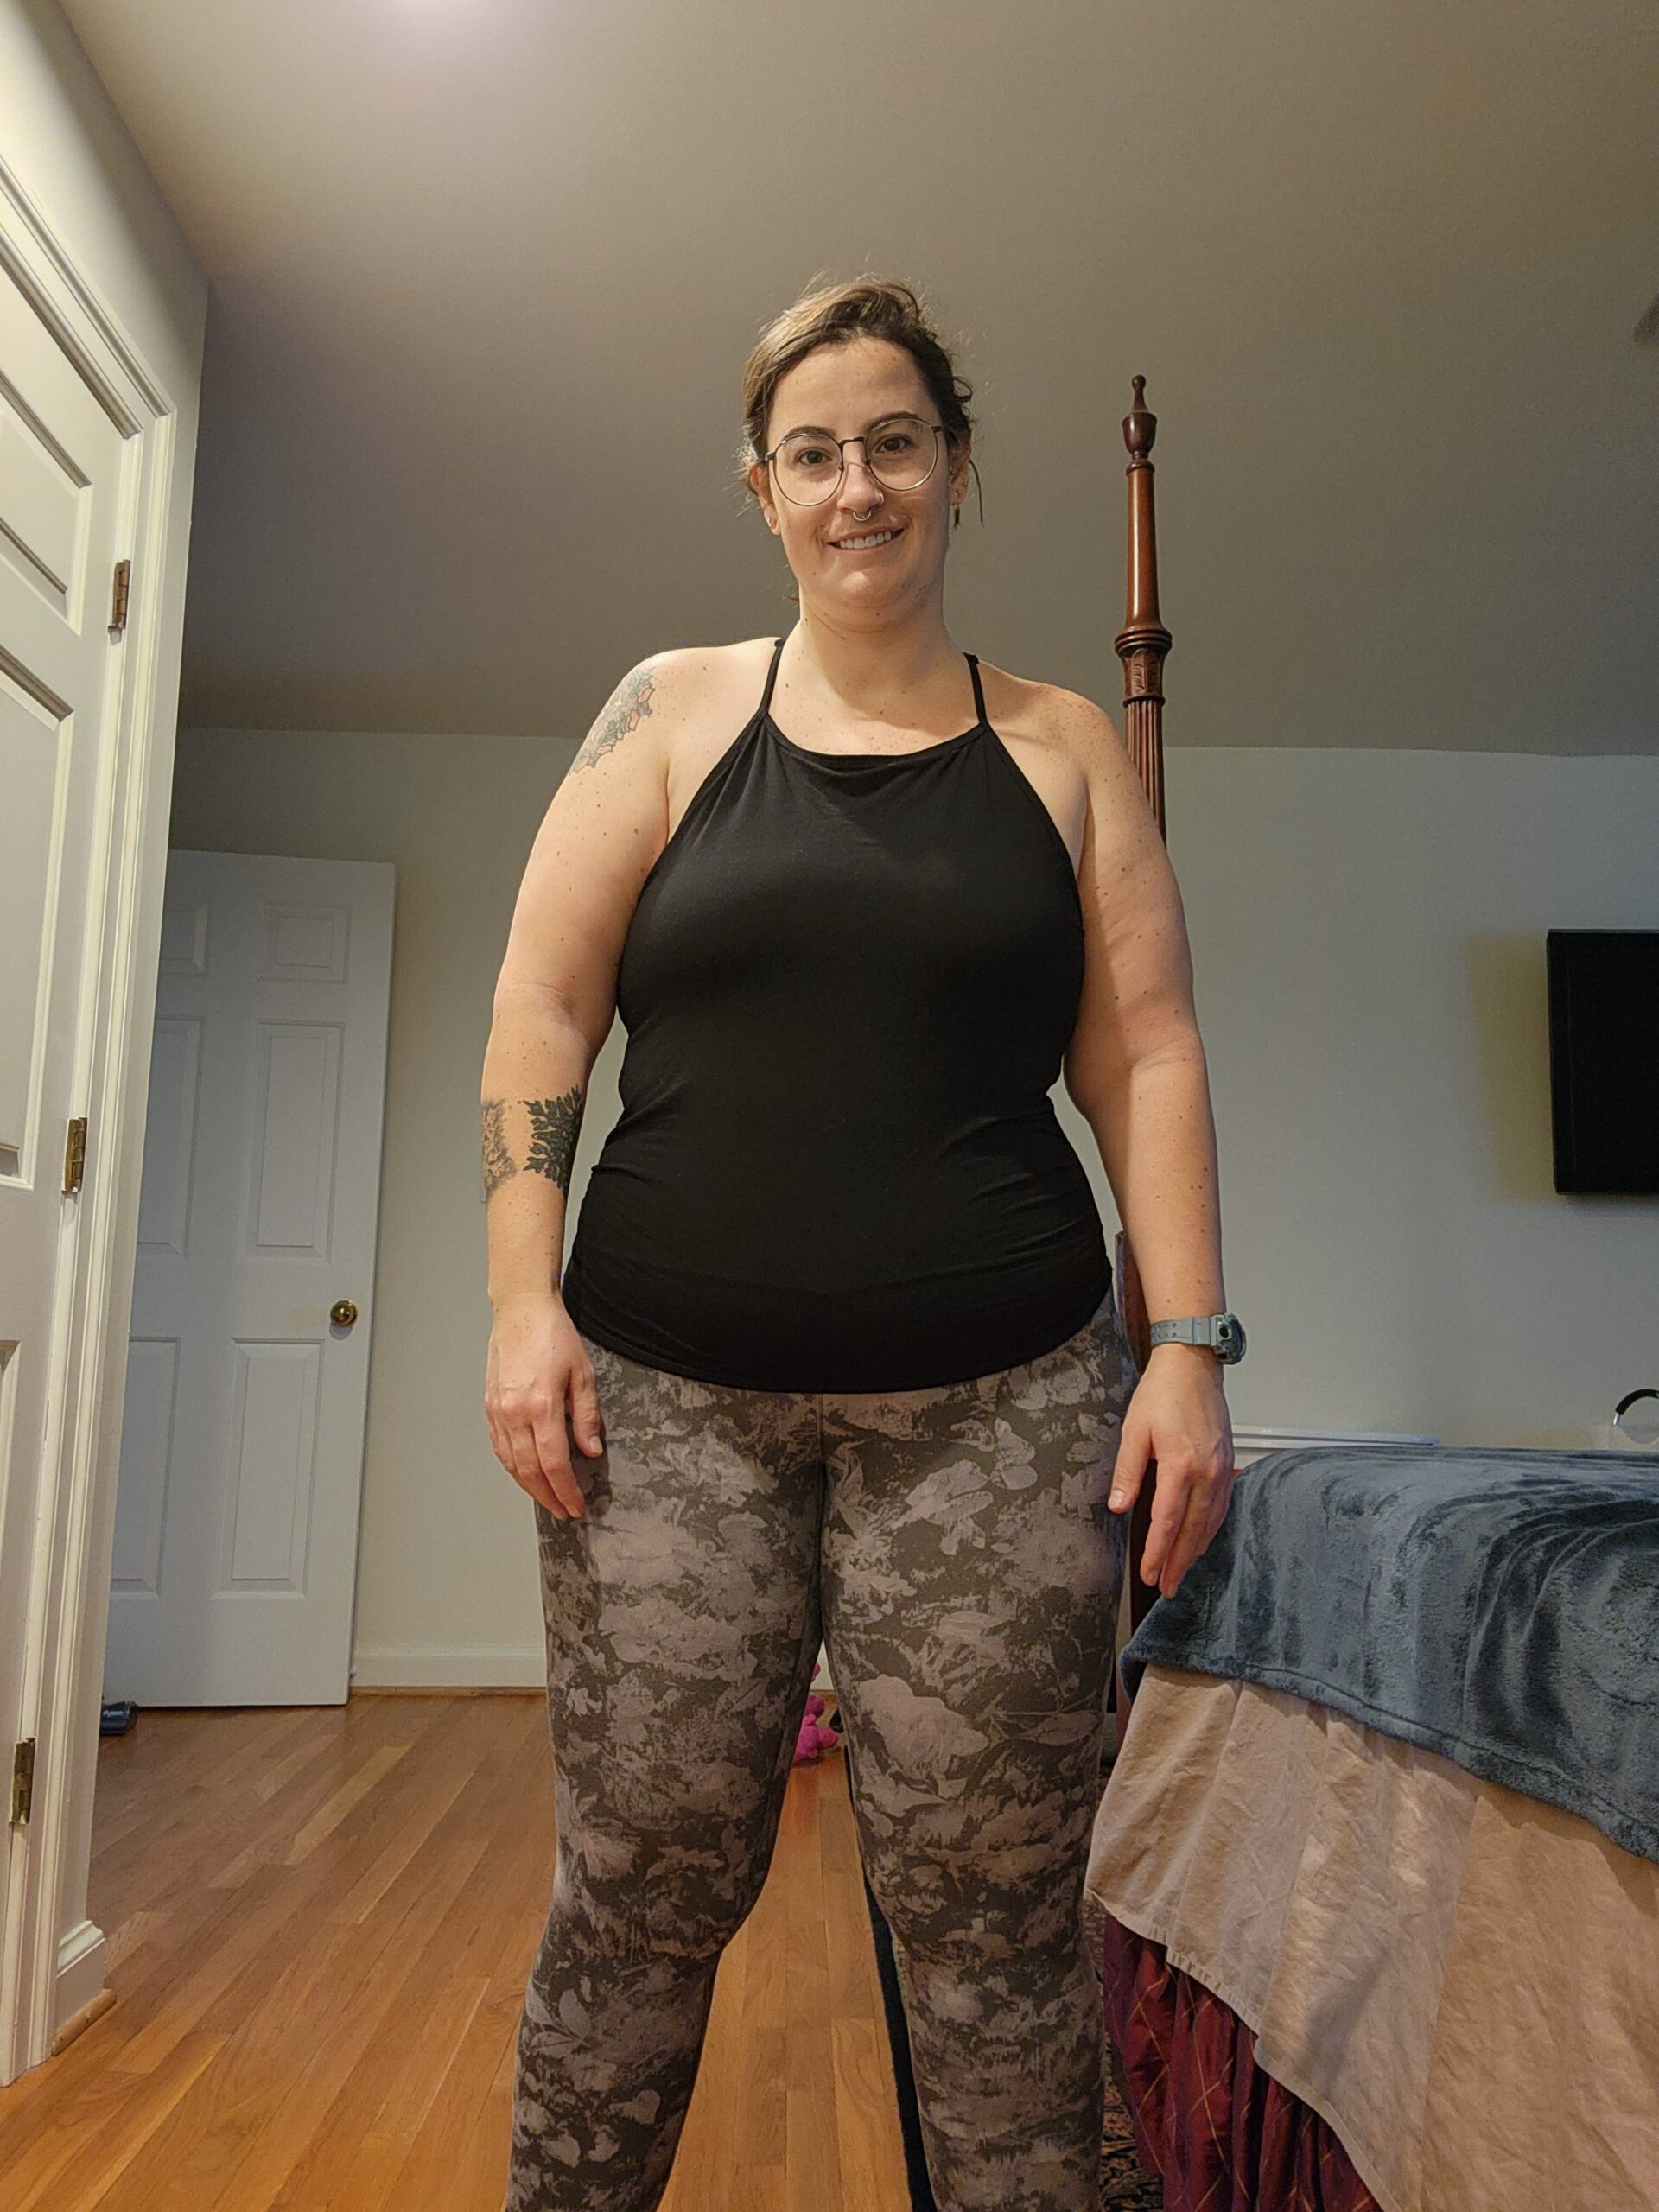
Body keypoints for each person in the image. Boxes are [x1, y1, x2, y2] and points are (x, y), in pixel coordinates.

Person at [481, 276, 1236, 2212]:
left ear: (958, 467)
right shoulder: (668, 712)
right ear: (762, 488)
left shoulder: (1063, 747)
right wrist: (518, 1300)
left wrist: (1189, 1345)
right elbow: (544, 1008)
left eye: (896, 442)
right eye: (813, 452)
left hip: (1002, 1423)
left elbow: (1148, 1052)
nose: (857, 486)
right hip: (662, 1415)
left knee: (998, 1923)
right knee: (639, 1895)